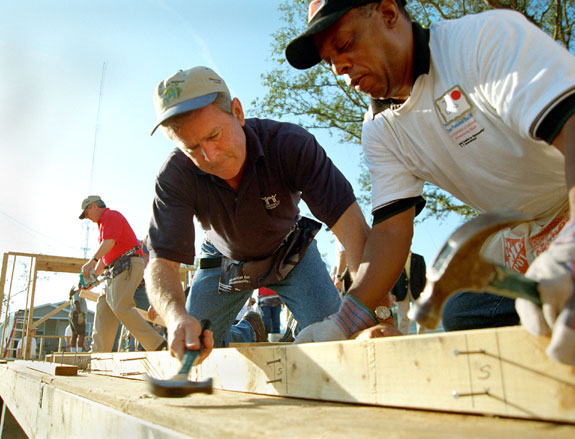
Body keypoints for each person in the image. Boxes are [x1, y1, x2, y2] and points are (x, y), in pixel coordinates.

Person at [285, 0, 575, 375]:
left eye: (345, 43)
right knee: (463, 312)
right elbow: (391, 230)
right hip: (527, 232)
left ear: (388, 13)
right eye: (329, 60)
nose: (339, 67)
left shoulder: (481, 39)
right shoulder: (380, 130)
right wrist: (346, 318)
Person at [145, 66, 372, 363]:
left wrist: (371, 310)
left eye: (215, 135)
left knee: (343, 342)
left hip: (291, 253)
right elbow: (161, 263)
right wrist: (175, 316)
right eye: (192, 148)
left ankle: (301, 328)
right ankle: (248, 331)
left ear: (237, 112)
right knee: (195, 346)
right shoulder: (174, 176)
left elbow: (351, 227)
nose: (210, 156)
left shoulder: (289, 145)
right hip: (224, 260)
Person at [79, 195, 167, 352]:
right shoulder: (102, 225)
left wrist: (91, 262)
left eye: (86, 213)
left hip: (128, 264)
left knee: (121, 306)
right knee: (104, 305)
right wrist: (93, 279)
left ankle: (157, 344)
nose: (87, 218)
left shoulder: (111, 215)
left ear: (94, 206)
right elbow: (106, 258)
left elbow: (109, 243)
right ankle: (99, 353)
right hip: (116, 269)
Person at [390, 251, 426, 335]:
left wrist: (424, 290)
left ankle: (422, 335)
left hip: (417, 290)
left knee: (420, 314)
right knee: (402, 315)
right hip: (401, 290)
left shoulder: (419, 258)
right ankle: (403, 336)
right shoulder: (396, 260)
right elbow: (393, 276)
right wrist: (392, 293)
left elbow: (423, 276)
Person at [68, 287, 88, 352]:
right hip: (77, 314)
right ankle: (79, 352)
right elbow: (77, 303)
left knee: (74, 334)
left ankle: (73, 352)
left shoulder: (74, 294)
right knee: (82, 334)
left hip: (73, 315)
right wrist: (80, 315)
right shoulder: (78, 292)